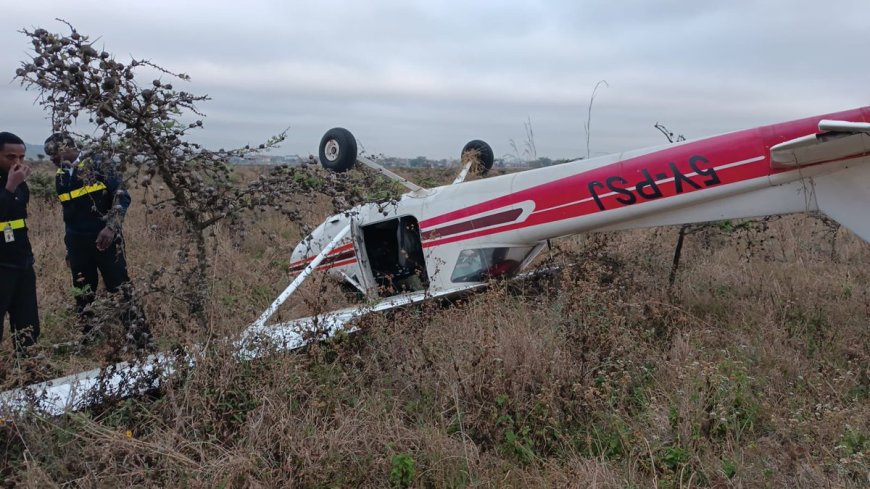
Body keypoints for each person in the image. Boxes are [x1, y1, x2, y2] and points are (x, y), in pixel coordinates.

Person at [44, 132, 151, 350]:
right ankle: (88, 337)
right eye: (48, 155)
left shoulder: (99, 164)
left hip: (106, 241)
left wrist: (111, 227)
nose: (51, 158)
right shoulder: (61, 175)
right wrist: (69, 249)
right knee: (83, 290)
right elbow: (69, 213)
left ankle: (141, 340)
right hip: (77, 244)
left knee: (120, 287)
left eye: (54, 153)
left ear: (68, 147)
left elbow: (122, 196)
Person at [0, 132, 39, 355]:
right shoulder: (13, 183)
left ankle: (29, 371)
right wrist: (9, 188)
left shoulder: (19, 183)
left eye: (22, 158)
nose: (17, 163)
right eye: (10, 157)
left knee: (27, 323)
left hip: (21, 262)